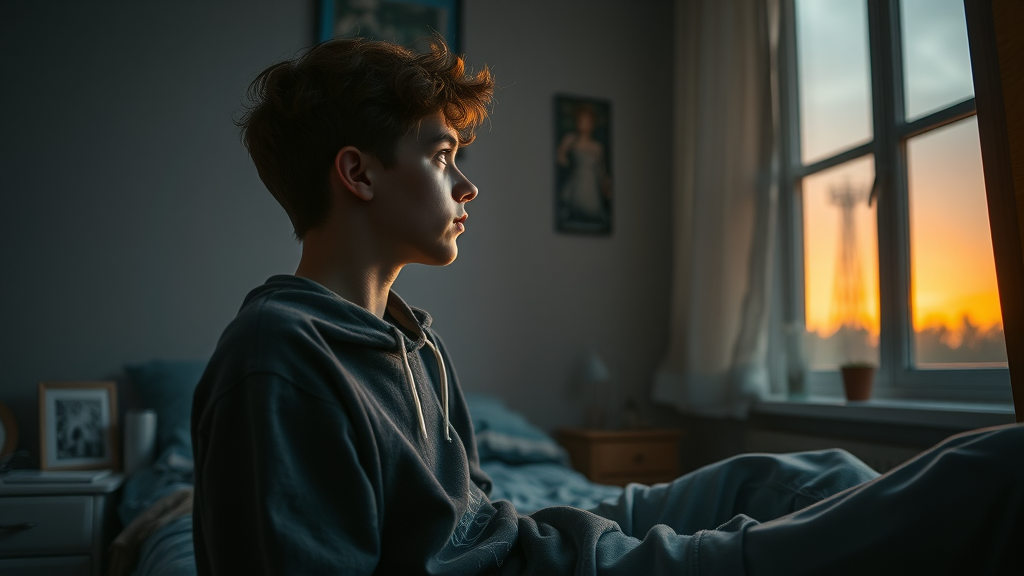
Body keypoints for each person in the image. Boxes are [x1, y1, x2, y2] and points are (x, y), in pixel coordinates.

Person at [191, 36, 1024, 575]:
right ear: (359, 174)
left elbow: (473, 516)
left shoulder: (411, 342)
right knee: (992, 475)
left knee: (813, 477)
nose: (467, 184)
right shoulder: (281, 358)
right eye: (442, 157)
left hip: (535, 544)